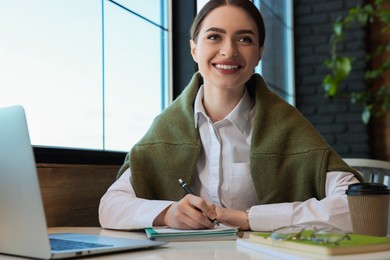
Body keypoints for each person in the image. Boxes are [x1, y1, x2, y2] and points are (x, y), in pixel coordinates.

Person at [99, 0, 362, 232]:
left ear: (259, 53)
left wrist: (250, 218)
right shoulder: (166, 129)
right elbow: (110, 207)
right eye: (214, 37)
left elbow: (359, 206)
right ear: (193, 49)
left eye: (245, 39)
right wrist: (167, 213)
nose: (229, 51)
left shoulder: (288, 127)